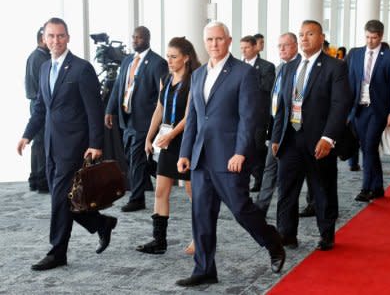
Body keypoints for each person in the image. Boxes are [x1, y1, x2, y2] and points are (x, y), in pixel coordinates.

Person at [176, 21, 285, 287]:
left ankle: (273, 243)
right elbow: (193, 118)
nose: (214, 44)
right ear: (204, 42)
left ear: (229, 40)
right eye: (210, 40)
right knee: (201, 214)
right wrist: (185, 152)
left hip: (230, 158)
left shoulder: (243, 73)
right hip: (201, 158)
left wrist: (240, 153)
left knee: (241, 209)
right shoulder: (199, 74)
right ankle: (204, 269)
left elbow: (250, 118)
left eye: (219, 39)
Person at [17, 17, 117, 271]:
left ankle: (57, 251)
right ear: (44, 39)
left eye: (60, 36)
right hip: (51, 144)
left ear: (68, 38)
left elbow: (94, 110)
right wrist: (27, 135)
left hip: (75, 145)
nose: (56, 41)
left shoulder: (81, 69)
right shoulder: (43, 69)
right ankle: (100, 224)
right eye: (51, 36)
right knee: (65, 199)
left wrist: (96, 143)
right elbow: (41, 107)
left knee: (60, 200)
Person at [271, 20, 353, 251]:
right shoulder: (288, 68)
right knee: (286, 188)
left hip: (319, 140)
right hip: (290, 139)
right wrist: (276, 137)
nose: (304, 38)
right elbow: (282, 107)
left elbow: (340, 105)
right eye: (301, 34)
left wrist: (328, 138)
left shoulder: (334, 67)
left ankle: (326, 234)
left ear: (321, 37)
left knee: (322, 188)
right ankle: (286, 234)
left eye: (310, 34)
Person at [135, 37, 200, 256]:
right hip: (167, 140)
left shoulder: (194, 80)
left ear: (186, 57)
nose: (169, 61)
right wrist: (149, 136)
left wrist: (171, 135)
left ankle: (200, 238)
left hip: (186, 140)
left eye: (174, 57)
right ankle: (159, 240)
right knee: (161, 190)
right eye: (168, 56)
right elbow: (160, 108)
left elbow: (191, 114)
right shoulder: (165, 78)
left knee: (193, 192)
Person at [105, 26, 168, 212]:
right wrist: (109, 110)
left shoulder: (157, 63)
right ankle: (164, 172)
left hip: (145, 120)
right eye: (133, 37)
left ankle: (137, 198)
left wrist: (159, 122)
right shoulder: (127, 61)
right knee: (133, 157)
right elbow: (118, 86)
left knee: (136, 157)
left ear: (147, 39)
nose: (134, 40)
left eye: (139, 38)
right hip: (127, 117)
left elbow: (162, 95)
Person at [347, 20, 390, 202]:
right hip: (359, 108)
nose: (370, 41)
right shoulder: (355, 54)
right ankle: (378, 187)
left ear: (381, 36)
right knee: (366, 148)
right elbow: (350, 81)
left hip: (378, 110)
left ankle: (366, 188)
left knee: (369, 146)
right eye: (368, 37)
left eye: (374, 37)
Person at [254, 32, 299, 216]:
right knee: (269, 168)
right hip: (275, 127)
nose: (281, 49)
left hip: (293, 131)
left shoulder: (300, 68)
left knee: (293, 177)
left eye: (286, 45)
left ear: (295, 46)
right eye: (279, 46)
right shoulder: (279, 68)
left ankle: (311, 204)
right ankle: (260, 207)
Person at [240, 35, 275, 192]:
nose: (244, 51)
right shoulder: (238, 66)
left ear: (255, 47)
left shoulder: (267, 67)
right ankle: (253, 176)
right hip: (241, 114)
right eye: (241, 48)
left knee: (257, 148)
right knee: (245, 146)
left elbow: (266, 88)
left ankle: (261, 179)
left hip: (259, 115)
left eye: (246, 48)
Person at [24, 27, 50, 193]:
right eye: (49, 37)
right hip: (40, 104)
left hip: (36, 103)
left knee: (37, 142)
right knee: (41, 142)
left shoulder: (34, 56)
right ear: (42, 39)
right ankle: (41, 180)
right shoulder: (40, 58)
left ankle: (35, 178)